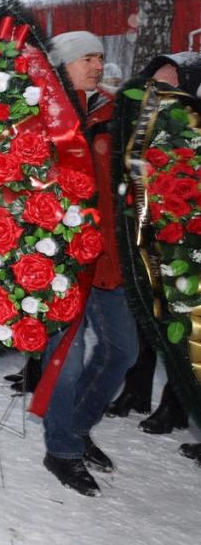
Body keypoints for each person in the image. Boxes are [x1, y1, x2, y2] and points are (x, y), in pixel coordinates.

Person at [40, 31, 139, 497]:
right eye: (87, 58)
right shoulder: (41, 115)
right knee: (68, 361)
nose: (97, 65)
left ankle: (77, 429)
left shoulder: (110, 110)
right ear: (62, 64)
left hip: (107, 255)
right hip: (58, 262)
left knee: (123, 351)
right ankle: (61, 450)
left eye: (100, 57)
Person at [105, 52, 190, 434]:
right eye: (154, 85)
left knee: (184, 327)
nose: (160, 92)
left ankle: (176, 404)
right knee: (146, 319)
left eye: (170, 84)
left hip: (185, 242)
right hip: (148, 233)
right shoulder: (142, 125)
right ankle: (137, 391)